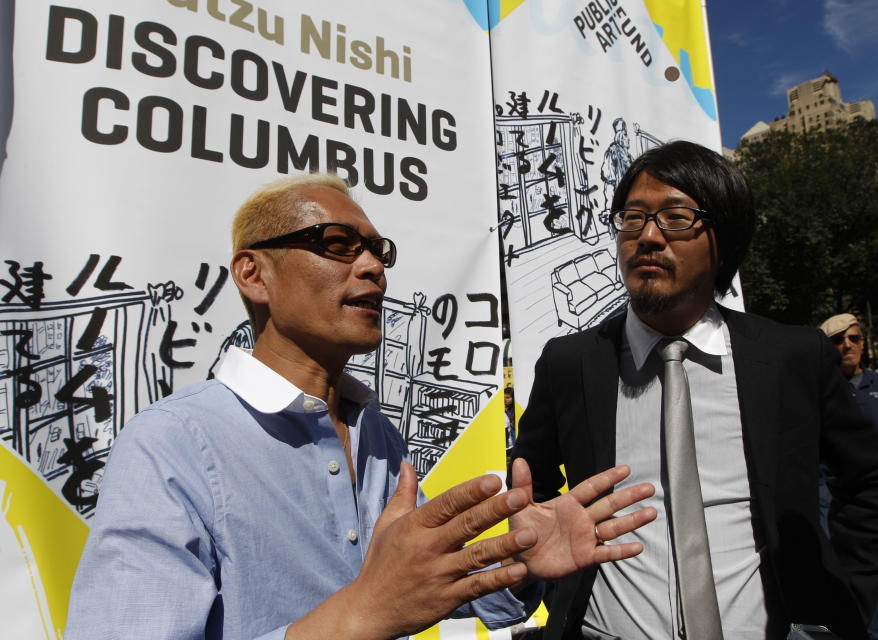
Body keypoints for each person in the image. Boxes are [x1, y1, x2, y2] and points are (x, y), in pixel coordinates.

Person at [64, 174, 659, 640]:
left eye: (377, 250)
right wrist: (359, 615)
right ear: (253, 274)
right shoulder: (171, 444)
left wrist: (519, 555)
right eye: (338, 245)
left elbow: (451, 588)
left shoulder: (375, 432)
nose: (373, 267)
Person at [512, 141, 878, 640]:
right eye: (632, 218)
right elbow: (533, 490)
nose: (648, 236)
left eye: (676, 218)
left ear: (725, 241)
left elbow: (874, 481)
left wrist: (843, 604)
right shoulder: (570, 362)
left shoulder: (792, 357)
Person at [819, 313, 878, 640]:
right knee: (836, 571)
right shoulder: (819, 388)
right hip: (830, 494)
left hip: (875, 499)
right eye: (839, 340)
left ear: (864, 343)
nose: (848, 345)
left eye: (854, 338)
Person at [505, 385, 517, 452]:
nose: (505, 400)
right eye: (503, 397)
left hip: (515, 441)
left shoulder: (515, 410)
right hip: (509, 444)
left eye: (508, 397)